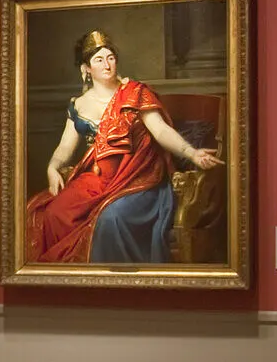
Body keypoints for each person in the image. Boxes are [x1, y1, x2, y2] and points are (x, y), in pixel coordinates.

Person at [25, 30, 221, 264]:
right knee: (53, 214)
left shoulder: (135, 93)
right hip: (97, 181)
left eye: (111, 57)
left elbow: (159, 130)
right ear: (86, 69)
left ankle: (118, 289)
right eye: (99, 59)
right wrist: (52, 167)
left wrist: (192, 153)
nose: (107, 64)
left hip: (138, 178)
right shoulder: (78, 105)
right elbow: (65, 147)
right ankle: (73, 286)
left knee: (111, 219)